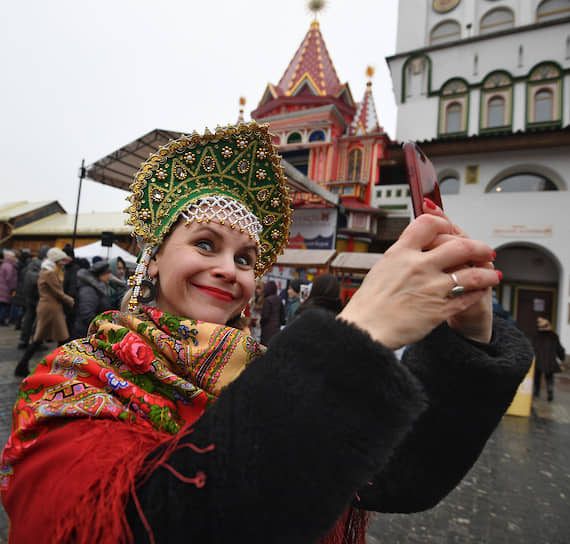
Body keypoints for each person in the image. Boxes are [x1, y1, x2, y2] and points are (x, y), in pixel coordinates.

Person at [1, 123, 532, 543]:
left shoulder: (265, 375)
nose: (230, 270)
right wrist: (354, 339)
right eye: (206, 245)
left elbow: (396, 478)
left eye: (246, 258)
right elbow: (130, 525)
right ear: (155, 259)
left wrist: (468, 336)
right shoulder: (78, 381)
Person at [13, 247, 74, 377]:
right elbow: (58, 291)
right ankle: (24, 366)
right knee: (52, 338)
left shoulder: (47, 270)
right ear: (56, 260)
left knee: (53, 338)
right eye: (61, 260)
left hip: (50, 307)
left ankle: (25, 366)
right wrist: (70, 300)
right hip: (51, 309)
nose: (63, 262)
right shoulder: (49, 273)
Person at [17, 245, 50, 349]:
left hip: (29, 295)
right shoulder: (43, 265)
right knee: (39, 320)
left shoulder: (31, 264)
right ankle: (37, 341)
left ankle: (24, 339)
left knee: (28, 318)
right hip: (38, 296)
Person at [71, 260, 114, 339]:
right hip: (85, 334)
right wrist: (103, 325)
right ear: (100, 275)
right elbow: (87, 314)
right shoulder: (89, 290)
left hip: (91, 332)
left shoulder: (99, 287)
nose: (110, 276)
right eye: (108, 273)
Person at [532, 317, 565, 402]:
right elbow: (559, 349)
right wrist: (562, 358)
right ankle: (550, 391)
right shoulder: (554, 336)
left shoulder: (536, 337)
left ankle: (536, 392)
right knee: (549, 377)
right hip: (550, 362)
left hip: (538, 361)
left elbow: (532, 349)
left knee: (537, 377)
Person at [260, 279, 283, 344]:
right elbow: (282, 315)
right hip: (277, 328)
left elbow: (265, 316)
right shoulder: (279, 299)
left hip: (267, 329)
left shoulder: (267, 300)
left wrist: (261, 323)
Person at [0, 250, 18, 326]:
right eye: (14, 257)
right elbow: (10, 279)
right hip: (6, 289)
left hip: (2, 288)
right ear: (10, 258)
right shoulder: (9, 266)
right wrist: (13, 288)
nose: (15, 258)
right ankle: (1, 321)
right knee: (5, 305)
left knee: (2, 305)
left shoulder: (4, 265)